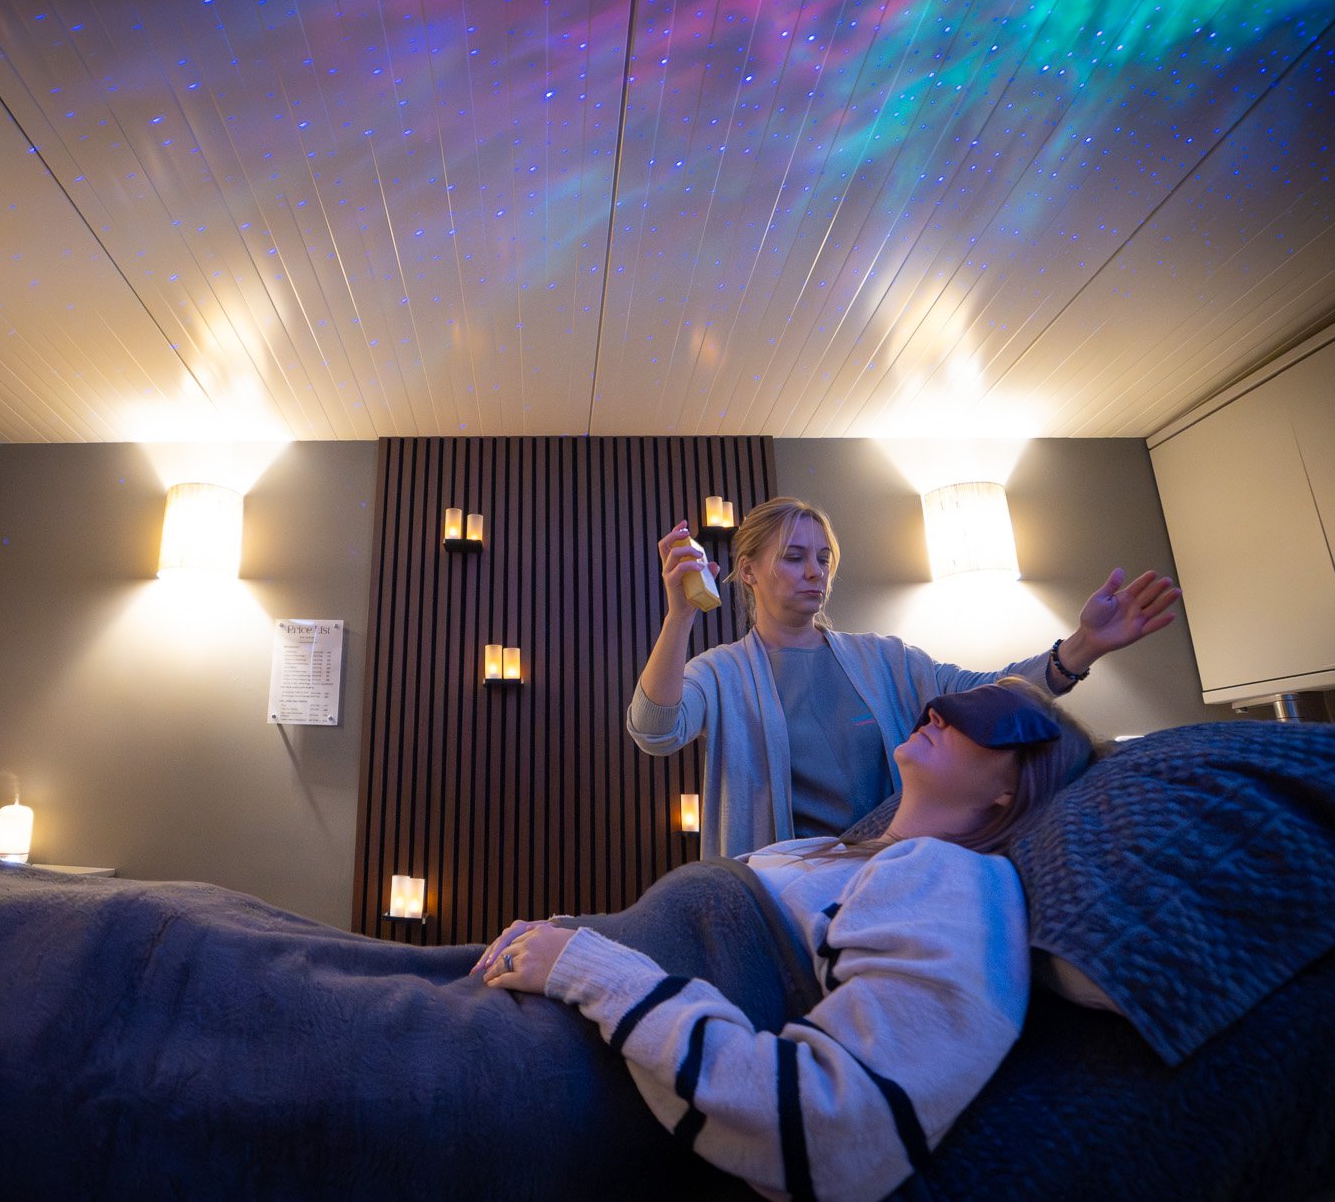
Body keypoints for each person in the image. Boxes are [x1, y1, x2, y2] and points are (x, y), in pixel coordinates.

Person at [478, 676, 1102, 1202]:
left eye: (987, 719)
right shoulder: (830, 851)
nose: (938, 710)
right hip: (550, 1002)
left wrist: (592, 969)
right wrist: (562, 935)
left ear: (1011, 789)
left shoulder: (954, 879)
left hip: (586, 1069)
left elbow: (840, 1119)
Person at [631, 495, 1177, 856]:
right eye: (795, 557)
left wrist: (1083, 646)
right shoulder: (722, 673)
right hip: (781, 895)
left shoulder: (883, 659)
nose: (815, 571)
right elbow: (655, 730)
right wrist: (680, 615)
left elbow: (988, 695)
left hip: (890, 871)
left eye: (823, 557)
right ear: (747, 571)